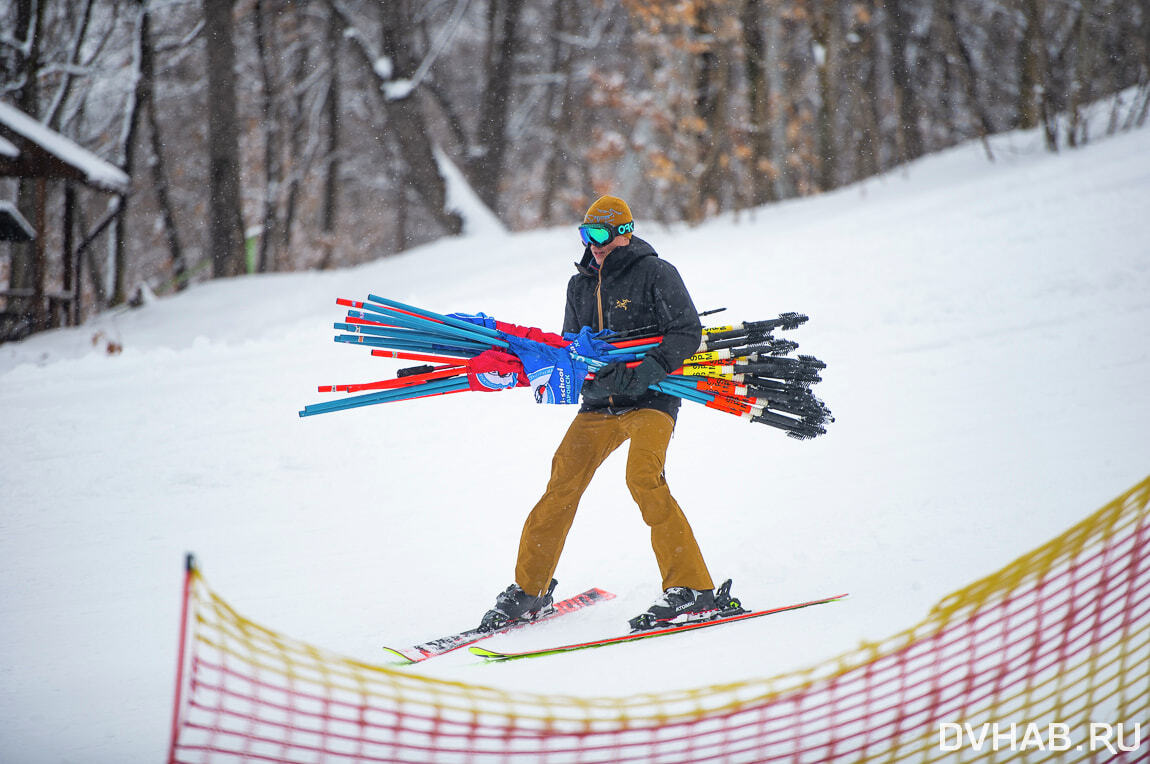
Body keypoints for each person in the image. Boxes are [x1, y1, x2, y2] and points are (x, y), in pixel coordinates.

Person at [480, 194, 736, 633]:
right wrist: (576, 376)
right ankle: (530, 590)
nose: (593, 244)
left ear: (625, 233)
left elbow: (686, 331)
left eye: (600, 235)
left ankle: (693, 590)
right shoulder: (578, 286)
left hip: (652, 399)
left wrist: (649, 370)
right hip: (599, 405)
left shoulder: (656, 273)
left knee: (642, 476)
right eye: (586, 234)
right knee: (562, 481)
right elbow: (568, 346)